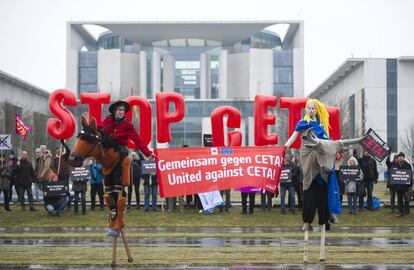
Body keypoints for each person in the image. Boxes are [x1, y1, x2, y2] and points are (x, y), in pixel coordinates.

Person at [98, 100, 155, 237]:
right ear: (114, 111)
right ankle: (112, 213)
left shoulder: (128, 124)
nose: (121, 112)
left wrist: (147, 153)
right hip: (107, 152)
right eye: (119, 110)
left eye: (123, 110)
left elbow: (137, 140)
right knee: (108, 189)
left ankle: (120, 217)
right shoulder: (107, 120)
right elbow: (98, 129)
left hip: (120, 151)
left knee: (118, 186)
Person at [391, 152, 413, 217]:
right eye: (399, 157)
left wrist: (411, 185)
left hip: (406, 186)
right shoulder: (395, 165)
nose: (400, 158)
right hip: (398, 186)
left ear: (404, 157)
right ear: (398, 158)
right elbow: (393, 175)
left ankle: (407, 213)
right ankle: (400, 212)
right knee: (399, 200)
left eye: (401, 156)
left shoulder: (408, 165)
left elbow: (410, 175)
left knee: (406, 200)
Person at [52, 141, 72, 208]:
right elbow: (53, 168)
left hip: (66, 176)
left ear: (61, 151)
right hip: (59, 177)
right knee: (61, 190)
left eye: (59, 151)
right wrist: (56, 173)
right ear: (56, 152)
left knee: (66, 190)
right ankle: (62, 204)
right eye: (57, 152)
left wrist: (63, 144)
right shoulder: (55, 159)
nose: (58, 152)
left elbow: (68, 150)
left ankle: (69, 204)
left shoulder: (64, 156)